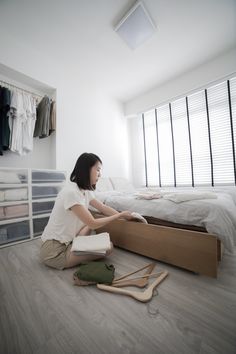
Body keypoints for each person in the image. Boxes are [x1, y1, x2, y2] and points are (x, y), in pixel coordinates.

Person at [40, 152, 133, 270]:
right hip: (54, 251)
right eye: (98, 170)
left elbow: (103, 208)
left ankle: (77, 246)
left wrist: (124, 216)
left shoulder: (85, 191)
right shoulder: (71, 192)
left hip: (68, 242)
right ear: (86, 169)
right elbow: (92, 223)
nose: (100, 174)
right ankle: (75, 251)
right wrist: (119, 215)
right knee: (108, 247)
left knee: (89, 220)